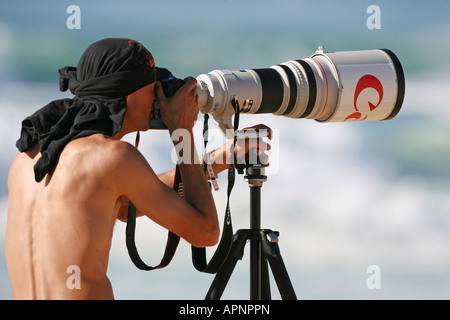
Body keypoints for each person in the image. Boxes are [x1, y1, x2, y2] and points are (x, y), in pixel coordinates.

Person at [6, 38, 270, 299]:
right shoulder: (114, 157)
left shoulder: (30, 154)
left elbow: (122, 205)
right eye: (152, 87)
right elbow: (205, 232)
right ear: (130, 94)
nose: (158, 96)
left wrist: (223, 157)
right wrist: (182, 131)